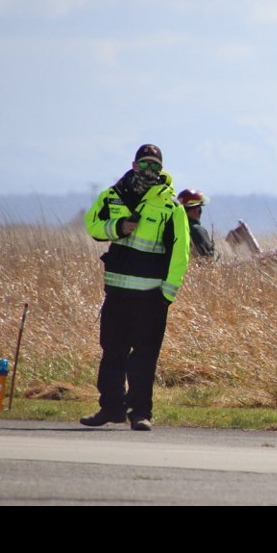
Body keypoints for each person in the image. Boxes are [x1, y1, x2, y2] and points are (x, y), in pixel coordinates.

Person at [81, 144, 190, 432]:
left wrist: (167, 294)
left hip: (151, 298)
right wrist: (117, 227)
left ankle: (140, 413)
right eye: (145, 164)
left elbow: (181, 253)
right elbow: (93, 225)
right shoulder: (112, 196)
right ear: (133, 164)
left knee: (143, 358)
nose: (149, 170)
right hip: (117, 294)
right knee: (112, 353)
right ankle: (111, 409)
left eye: (155, 165)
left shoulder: (170, 207)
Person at [178, 188, 215, 258]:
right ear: (196, 210)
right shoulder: (197, 230)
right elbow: (207, 257)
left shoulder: (174, 227)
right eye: (199, 208)